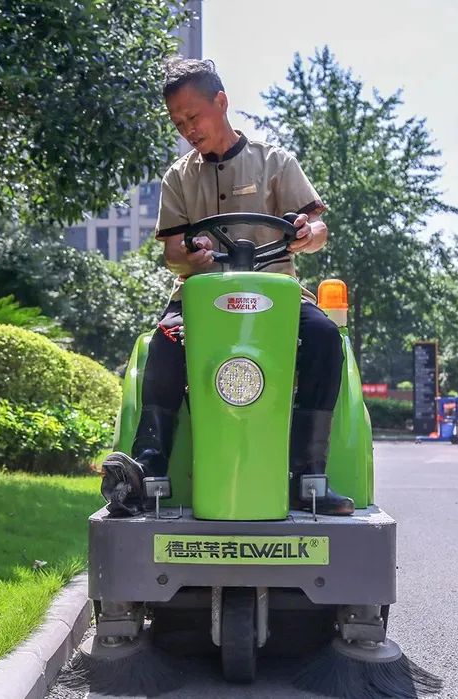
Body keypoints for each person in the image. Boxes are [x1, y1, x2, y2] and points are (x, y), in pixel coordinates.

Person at [101, 58, 353, 517]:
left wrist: (305, 233)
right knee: (164, 344)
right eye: (178, 122)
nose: (187, 129)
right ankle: (148, 470)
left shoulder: (275, 163)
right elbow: (172, 252)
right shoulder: (179, 177)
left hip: (276, 296)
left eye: (193, 116)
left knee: (323, 337)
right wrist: (188, 256)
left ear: (221, 102)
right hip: (201, 300)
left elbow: (317, 228)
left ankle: (308, 476)